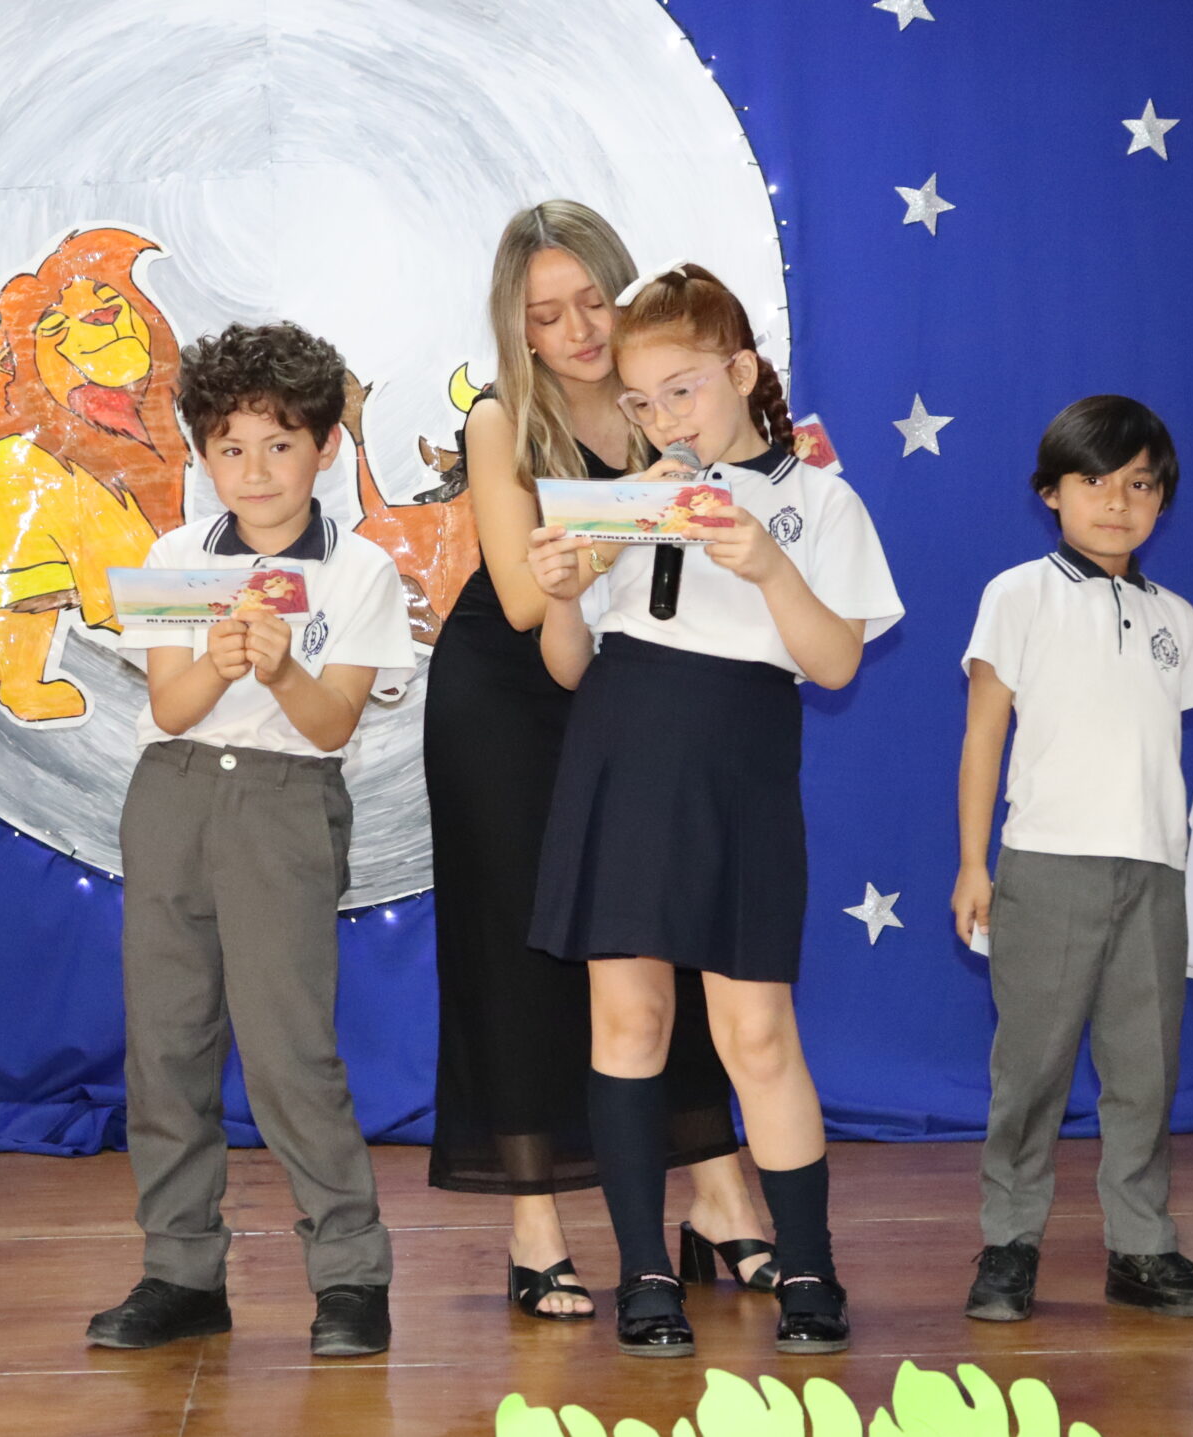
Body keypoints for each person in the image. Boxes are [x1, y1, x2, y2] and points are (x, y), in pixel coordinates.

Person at [527, 264, 902, 1357]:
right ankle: (644, 1270)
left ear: (741, 372)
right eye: (642, 402)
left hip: (740, 761)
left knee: (756, 1030)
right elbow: (567, 665)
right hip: (622, 752)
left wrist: (772, 568)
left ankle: (809, 1266)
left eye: (684, 390)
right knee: (628, 1022)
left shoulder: (820, 500)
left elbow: (836, 664)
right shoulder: (625, 501)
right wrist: (563, 594)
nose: (666, 420)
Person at [425, 202, 776, 1324]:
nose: (576, 330)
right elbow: (527, 598)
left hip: (631, 701)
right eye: (546, 314)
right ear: (514, 327)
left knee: (662, 941)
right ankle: (534, 1226)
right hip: (504, 711)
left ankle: (717, 1194)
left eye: (592, 302)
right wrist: (657, 495)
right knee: (518, 957)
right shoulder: (499, 419)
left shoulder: (669, 401)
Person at [84, 322, 417, 1358]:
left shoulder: (359, 570)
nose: (256, 471)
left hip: (285, 802)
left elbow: (330, 726)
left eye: (280, 445)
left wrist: (278, 667)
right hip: (173, 796)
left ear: (325, 447)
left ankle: (351, 1274)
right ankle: (180, 1271)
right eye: (231, 448)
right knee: (166, 1045)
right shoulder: (176, 559)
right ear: (202, 454)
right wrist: (220, 661)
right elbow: (172, 707)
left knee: (288, 1051)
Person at [951, 395, 1193, 1324]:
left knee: (1145, 1072)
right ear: (1051, 493)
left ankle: (1142, 1247)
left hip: (1152, 872)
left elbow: (1158, 745)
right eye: (1094, 481)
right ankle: (1009, 1242)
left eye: (1139, 485)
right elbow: (983, 736)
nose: (1117, 502)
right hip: (1047, 864)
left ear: (1162, 500)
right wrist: (974, 863)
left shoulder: (1177, 618)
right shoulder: (1017, 595)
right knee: (1030, 1070)